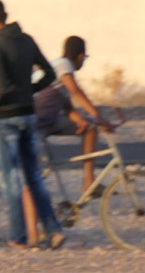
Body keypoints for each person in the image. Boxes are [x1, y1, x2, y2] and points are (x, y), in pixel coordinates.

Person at [0, 0, 63, 249]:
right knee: (34, 177)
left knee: (11, 180)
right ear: (6, 15)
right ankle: (55, 231)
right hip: (29, 114)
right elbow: (49, 72)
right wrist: (31, 90)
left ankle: (18, 237)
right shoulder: (27, 40)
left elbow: (1, 86)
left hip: (6, 119)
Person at [34, 35, 115, 197]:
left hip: (49, 120)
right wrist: (98, 116)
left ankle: (89, 183)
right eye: (84, 58)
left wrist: (80, 120)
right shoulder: (64, 66)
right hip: (35, 124)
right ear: (79, 57)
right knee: (33, 178)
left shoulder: (58, 67)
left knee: (91, 127)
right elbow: (75, 91)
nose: (83, 62)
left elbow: (65, 105)